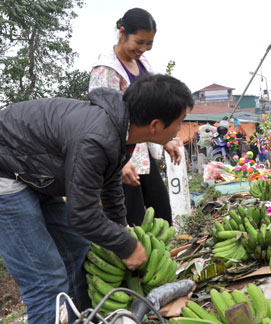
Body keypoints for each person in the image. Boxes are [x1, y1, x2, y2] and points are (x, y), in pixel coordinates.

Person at [0, 73, 194, 323]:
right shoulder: (96, 138)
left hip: (33, 171)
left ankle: (86, 319)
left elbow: (109, 180)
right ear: (155, 125)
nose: (180, 129)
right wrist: (127, 246)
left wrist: (121, 227)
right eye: (179, 122)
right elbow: (82, 215)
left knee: (78, 253)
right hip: (6, 172)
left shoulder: (121, 126)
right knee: (46, 280)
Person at [89, 8, 179, 226]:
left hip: (143, 153)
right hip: (120, 157)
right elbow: (102, 118)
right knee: (134, 221)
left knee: (161, 216)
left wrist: (164, 139)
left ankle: (163, 258)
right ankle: (135, 258)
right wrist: (119, 163)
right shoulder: (106, 70)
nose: (143, 49)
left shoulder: (142, 64)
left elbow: (150, 109)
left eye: (149, 44)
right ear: (122, 32)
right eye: (139, 42)